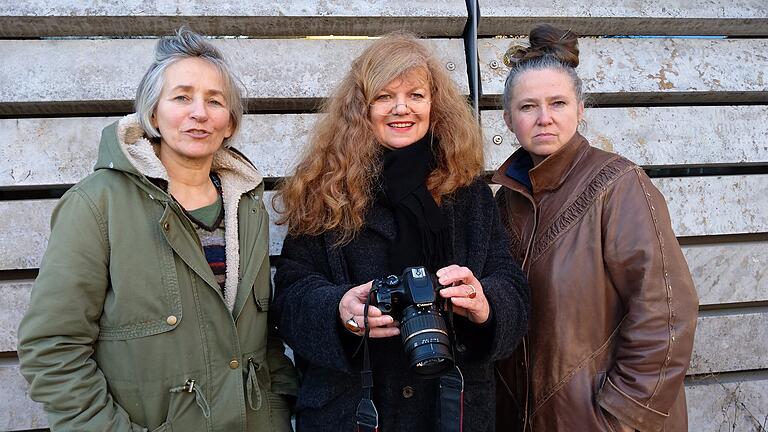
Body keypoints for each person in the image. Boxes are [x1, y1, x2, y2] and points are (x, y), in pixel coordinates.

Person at [17, 28, 297, 432]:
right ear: (152, 114)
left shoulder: (246, 205)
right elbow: (51, 348)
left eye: (214, 101)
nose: (199, 113)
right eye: (182, 97)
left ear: (230, 123)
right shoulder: (97, 204)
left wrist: (277, 411)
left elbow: (261, 337)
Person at [272, 33, 529, 431]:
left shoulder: (467, 190)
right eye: (384, 95)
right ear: (362, 107)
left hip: (451, 409)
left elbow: (509, 283)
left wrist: (484, 304)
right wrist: (339, 310)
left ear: (434, 104)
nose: (401, 108)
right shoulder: (324, 189)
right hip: (353, 409)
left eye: (416, 94)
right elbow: (290, 295)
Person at [493, 24, 699, 432]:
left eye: (558, 103)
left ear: (580, 109)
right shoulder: (505, 202)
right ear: (508, 118)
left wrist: (623, 416)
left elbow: (667, 310)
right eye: (528, 107)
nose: (544, 118)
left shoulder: (618, 185)